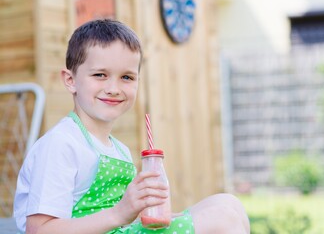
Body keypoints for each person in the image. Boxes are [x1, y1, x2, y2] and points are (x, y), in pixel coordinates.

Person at [13, 19, 250, 234]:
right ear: (70, 80)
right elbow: (39, 230)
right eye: (100, 75)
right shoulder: (61, 144)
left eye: (126, 77)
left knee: (228, 204)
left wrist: (153, 214)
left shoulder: (120, 151)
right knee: (222, 220)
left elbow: (124, 221)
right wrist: (119, 213)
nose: (114, 88)